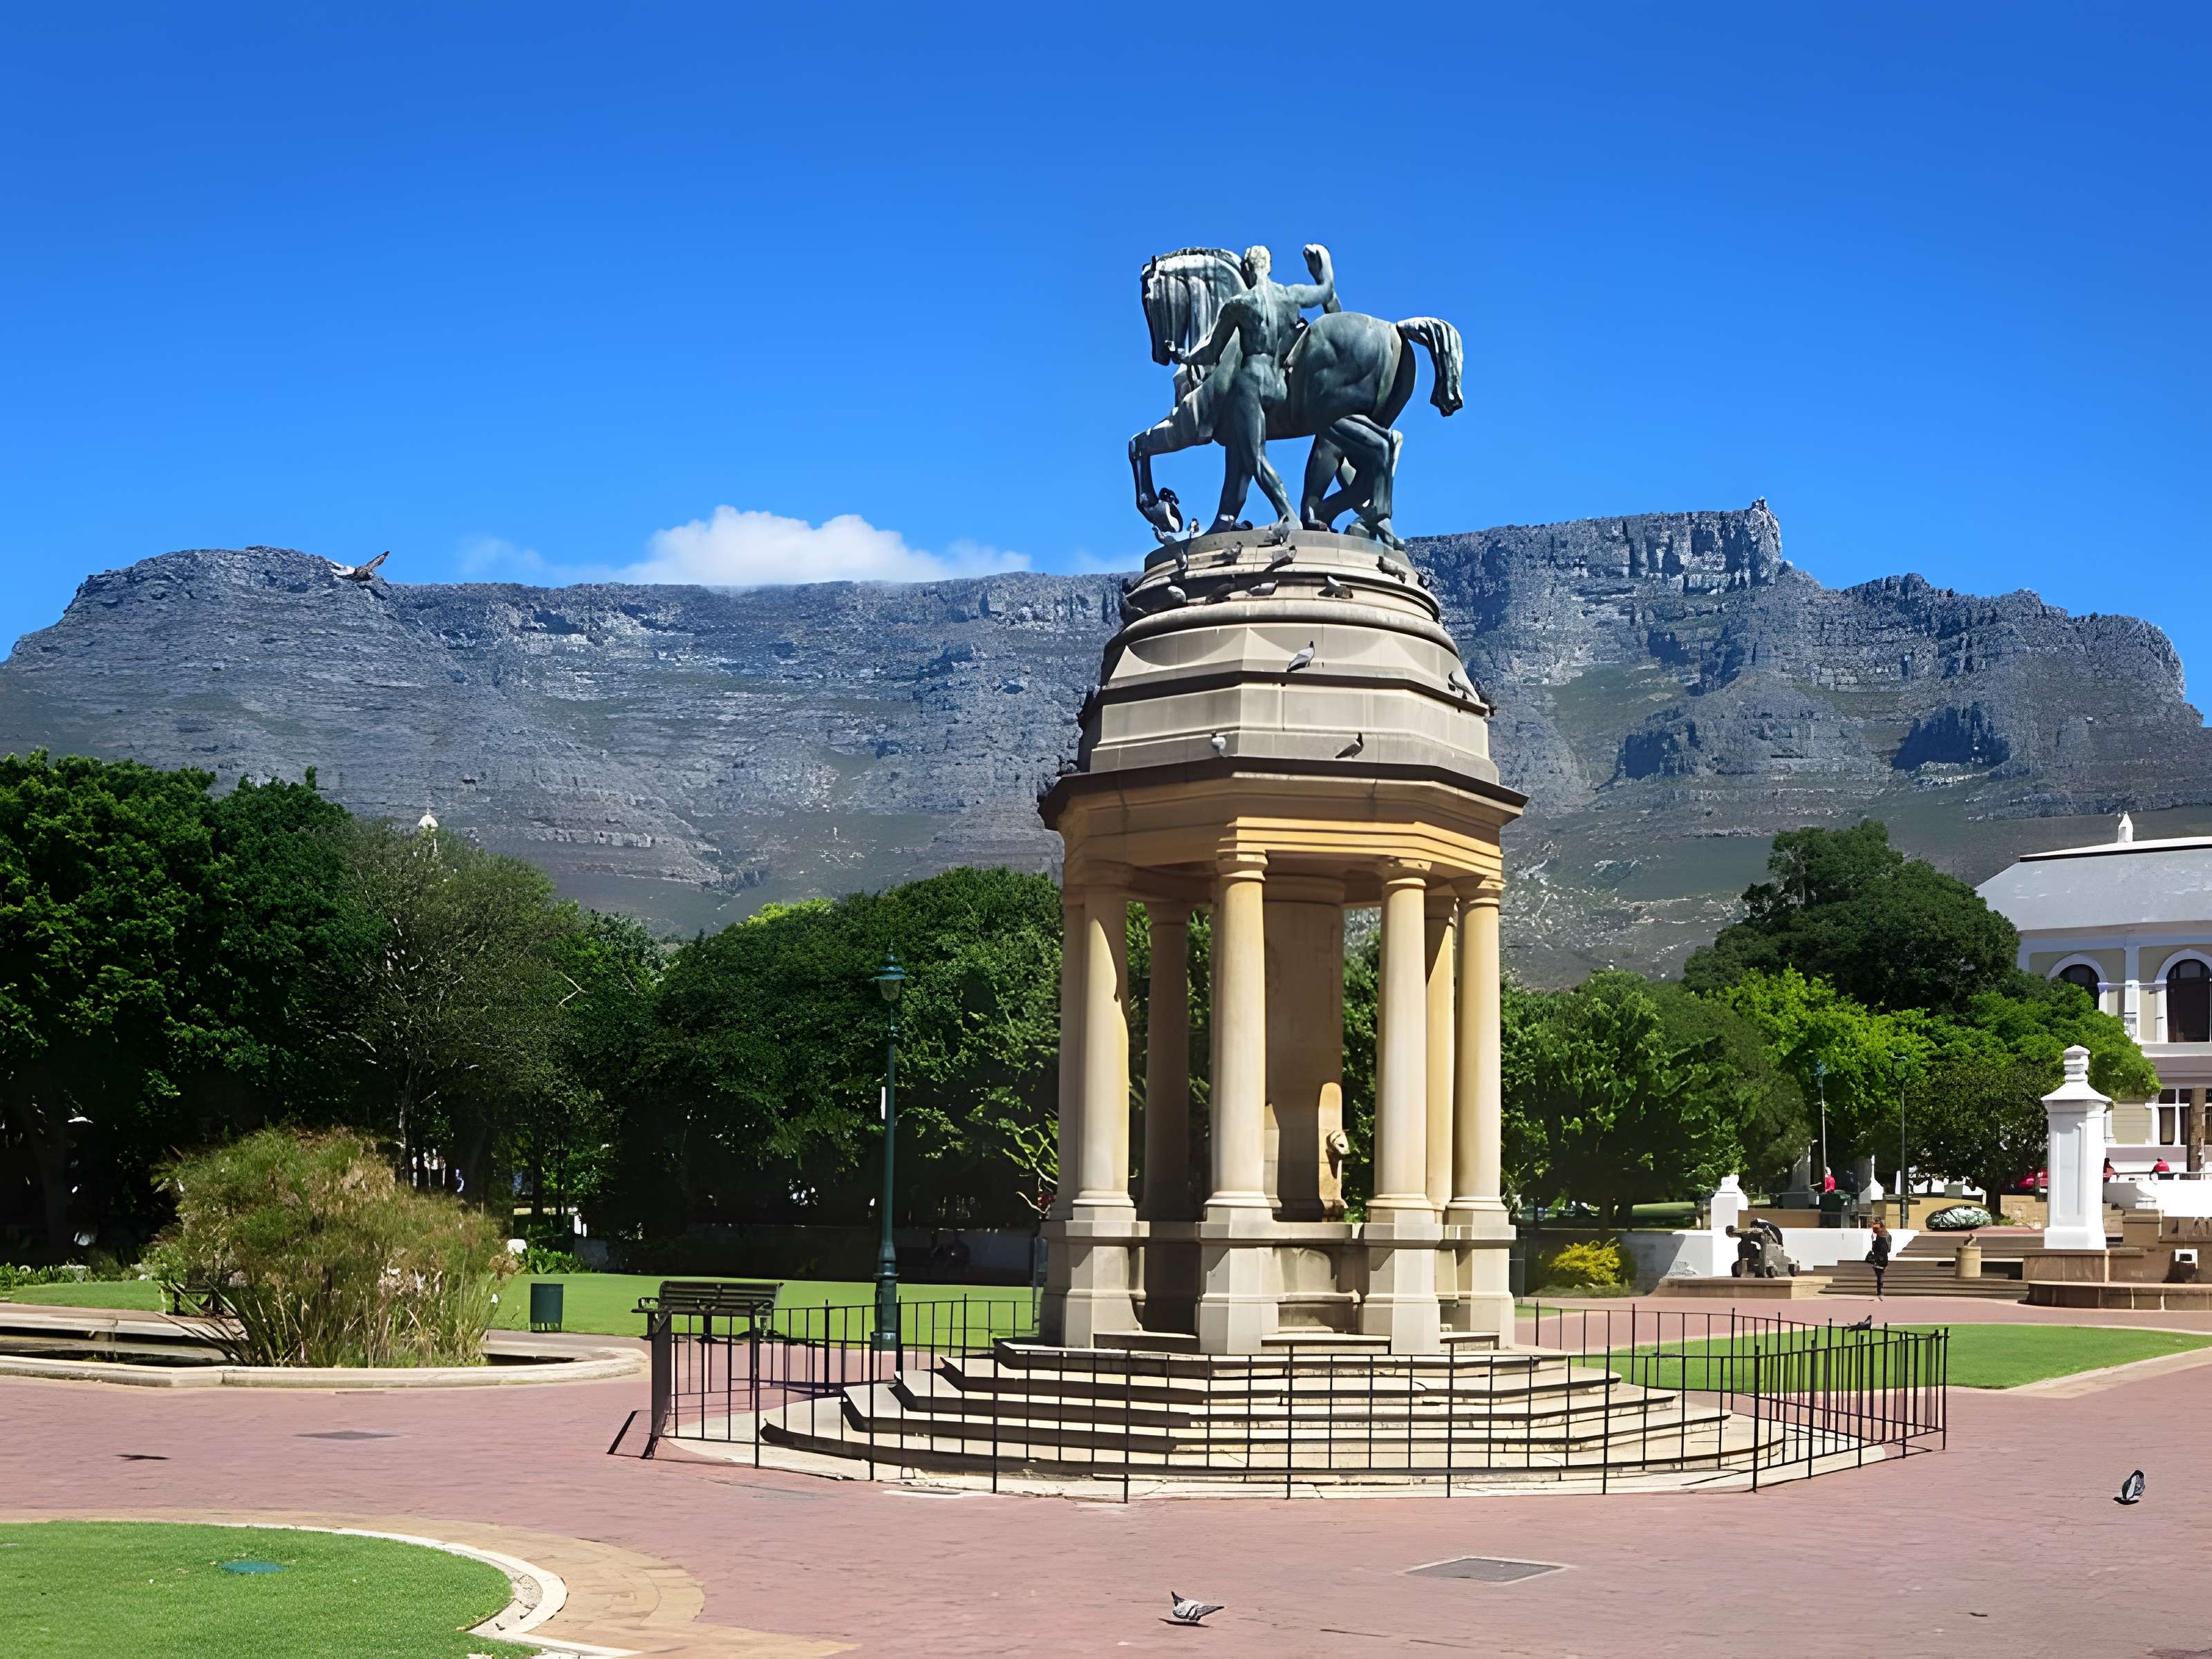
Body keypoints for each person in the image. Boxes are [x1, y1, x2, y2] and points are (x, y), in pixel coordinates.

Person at [1866, 1219, 1893, 1300]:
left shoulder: (1878, 1237)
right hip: (1884, 1259)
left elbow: (1875, 1249)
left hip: (1879, 1259)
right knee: (1880, 1275)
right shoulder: (1888, 1236)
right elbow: (1889, 1250)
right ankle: (1880, 1290)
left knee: (1879, 1275)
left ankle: (1879, 1290)